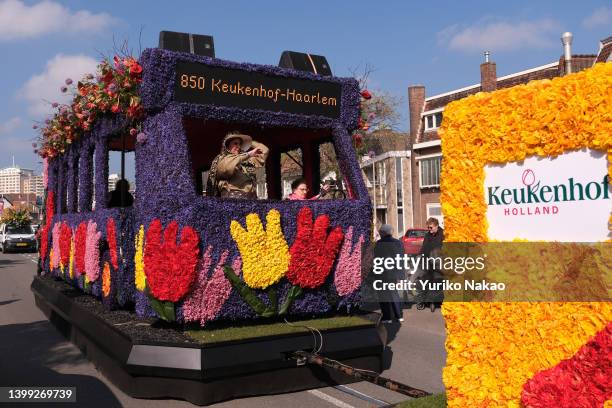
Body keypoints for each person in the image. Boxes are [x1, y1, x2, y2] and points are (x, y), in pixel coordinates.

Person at [207, 132, 269, 199]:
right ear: (227, 146)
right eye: (235, 143)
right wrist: (248, 154)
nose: (238, 146)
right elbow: (228, 168)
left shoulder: (247, 160)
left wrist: (250, 142)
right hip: (232, 201)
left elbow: (265, 150)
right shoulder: (222, 159)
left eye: (240, 144)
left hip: (251, 200)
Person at [373, 224, 404, 323]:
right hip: (393, 273)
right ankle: (399, 316)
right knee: (394, 293)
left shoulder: (379, 244)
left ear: (383, 233)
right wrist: (401, 276)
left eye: (380, 232)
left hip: (382, 273)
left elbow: (376, 259)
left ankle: (387, 317)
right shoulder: (398, 243)